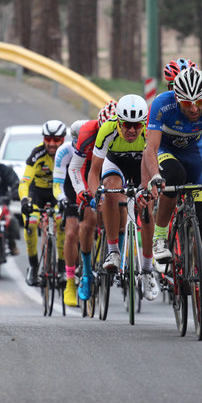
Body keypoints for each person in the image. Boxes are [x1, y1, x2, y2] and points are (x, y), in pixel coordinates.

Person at [142, 67, 202, 317]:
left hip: (194, 154)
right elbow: (150, 148)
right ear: (176, 97)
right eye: (187, 103)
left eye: (200, 102)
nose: (194, 109)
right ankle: (161, 236)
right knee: (174, 177)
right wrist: (155, 176)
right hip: (165, 151)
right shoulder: (162, 104)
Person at [87, 94, 159, 301]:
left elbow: (153, 165)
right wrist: (96, 195)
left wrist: (148, 189)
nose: (131, 130)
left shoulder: (149, 131)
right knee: (110, 190)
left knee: (147, 206)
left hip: (141, 165)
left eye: (137, 126)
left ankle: (146, 270)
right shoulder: (107, 130)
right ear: (118, 121)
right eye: (127, 125)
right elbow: (94, 172)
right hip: (115, 162)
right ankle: (113, 252)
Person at [67, 100, 117, 301]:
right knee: (88, 219)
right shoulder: (88, 133)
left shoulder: (129, 133)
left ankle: (118, 251)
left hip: (114, 167)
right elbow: (75, 168)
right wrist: (82, 192)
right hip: (89, 169)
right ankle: (86, 272)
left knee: (121, 203)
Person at [19, 120, 67, 287]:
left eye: (56, 140)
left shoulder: (68, 153)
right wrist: (25, 199)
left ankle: (61, 269)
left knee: (61, 222)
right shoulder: (36, 154)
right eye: (48, 139)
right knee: (31, 223)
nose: (52, 143)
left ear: (63, 139)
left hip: (58, 192)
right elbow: (24, 181)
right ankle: (33, 266)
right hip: (37, 192)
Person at [52, 120, 88, 306]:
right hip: (71, 192)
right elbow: (57, 185)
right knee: (72, 233)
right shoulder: (65, 151)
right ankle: (70, 282)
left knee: (92, 228)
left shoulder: (96, 146)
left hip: (89, 187)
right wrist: (63, 200)